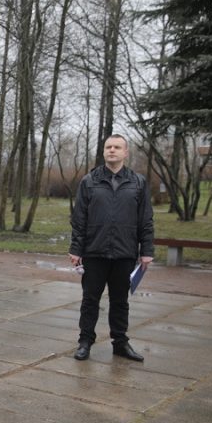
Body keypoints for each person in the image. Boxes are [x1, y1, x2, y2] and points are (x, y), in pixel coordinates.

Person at [69, 134, 154, 362]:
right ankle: (85, 342)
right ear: (104, 151)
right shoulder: (89, 181)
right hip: (94, 252)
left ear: (126, 153)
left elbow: (145, 219)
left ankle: (120, 343)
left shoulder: (138, 182)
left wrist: (146, 251)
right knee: (90, 300)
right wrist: (76, 249)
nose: (112, 150)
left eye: (117, 147)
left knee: (120, 301)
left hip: (124, 253)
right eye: (108, 147)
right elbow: (79, 218)